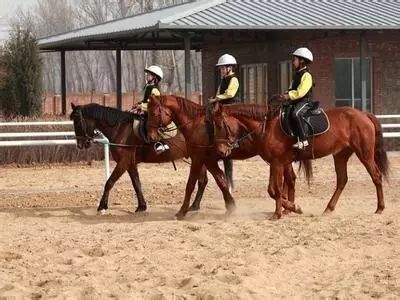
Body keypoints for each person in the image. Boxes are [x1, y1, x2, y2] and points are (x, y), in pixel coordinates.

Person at [282, 47, 314, 150]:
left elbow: (301, 92)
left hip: (304, 102)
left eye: (294, 60)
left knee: (296, 114)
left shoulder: (306, 75)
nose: (293, 62)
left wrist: (289, 95)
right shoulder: (297, 75)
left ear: (302, 61)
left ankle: (303, 140)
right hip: (296, 101)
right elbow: (292, 88)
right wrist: (285, 93)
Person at [134, 65, 169, 153]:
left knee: (145, 125)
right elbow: (146, 101)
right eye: (148, 75)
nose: (147, 76)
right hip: (147, 112)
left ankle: (158, 143)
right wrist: (138, 105)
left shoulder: (154, 90)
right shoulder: (148, 88)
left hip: (153, 114)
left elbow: (155, 106)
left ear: (154, 78)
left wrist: (141, 107)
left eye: (149, 75)